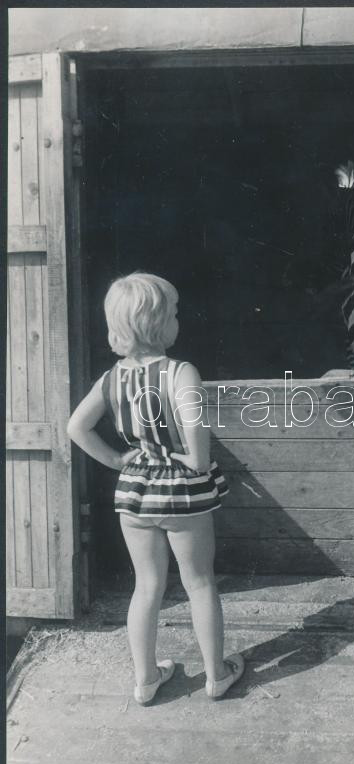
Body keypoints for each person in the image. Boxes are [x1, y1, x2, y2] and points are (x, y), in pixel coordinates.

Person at [67, 272, 244, 705]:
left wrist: (115, 460)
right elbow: (198, 457)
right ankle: (216, 676)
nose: (178, 320)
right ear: (159, 322)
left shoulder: (111, 379)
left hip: (135, 492)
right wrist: (185, 460)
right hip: (182, 493)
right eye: (175, 313)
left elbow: (76, 428)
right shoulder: (181, 373)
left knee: (146, 586)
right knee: (199, 583)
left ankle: (146, 681)